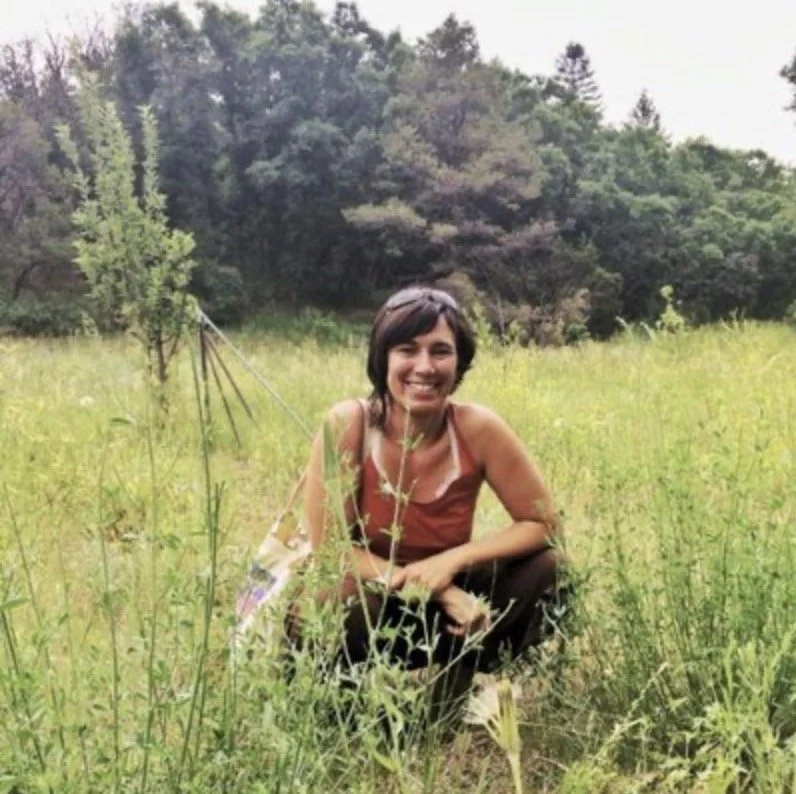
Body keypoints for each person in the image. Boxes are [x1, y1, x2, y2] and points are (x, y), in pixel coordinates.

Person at [298, 286, 567, 710]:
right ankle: (335, 704)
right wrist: (436, 589)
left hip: (443, 610)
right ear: (382, 357)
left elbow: (545, 523)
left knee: (548, 568)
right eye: (408, 349)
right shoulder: (349, 424)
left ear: (459, 361)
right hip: (371, 598)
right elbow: (331, 549)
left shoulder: (477, 428)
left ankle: (453, 684)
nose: (424, 367)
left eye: (440, 351)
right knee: (337, 596)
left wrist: (453, 562)